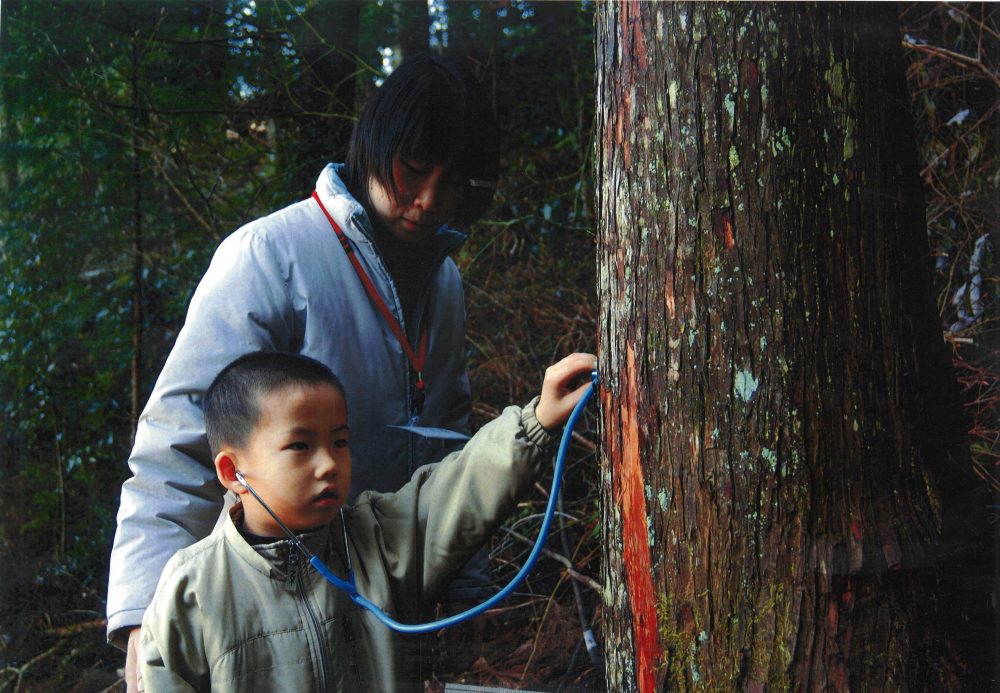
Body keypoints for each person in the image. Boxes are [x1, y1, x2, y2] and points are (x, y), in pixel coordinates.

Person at [108, 55, 501, 690]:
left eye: (450, 183)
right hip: (266, 617)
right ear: (375, 147)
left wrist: (465, 581)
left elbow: (450, 436)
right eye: (412, 170)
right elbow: (176, 448)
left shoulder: (444, 282)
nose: (428, 202)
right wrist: (143, 622)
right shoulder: (269, 256)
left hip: (381, 604)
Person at [138, 350, 596, 691]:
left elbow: (455, 488)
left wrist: (536, 421)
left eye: (339, 442)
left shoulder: (376, 538)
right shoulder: (192, 589)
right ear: (232, 472)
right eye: (300, 446)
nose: (328, 464)